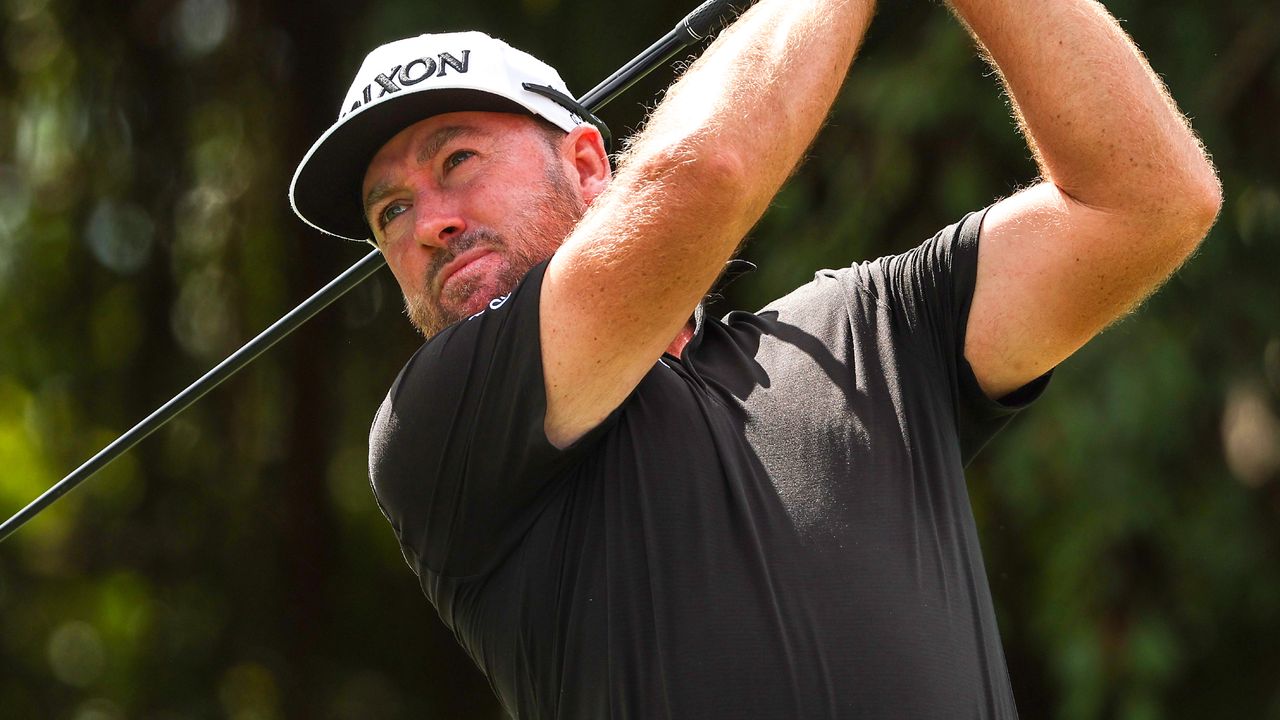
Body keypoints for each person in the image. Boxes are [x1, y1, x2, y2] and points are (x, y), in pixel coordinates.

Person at [289, 0, 1221, 716]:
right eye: (391, 211)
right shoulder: (434, 431)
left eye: (453, 160)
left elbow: (1149, 201)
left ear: (583, 166)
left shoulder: (869, 327)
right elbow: (703, 177)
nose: (430, 223)